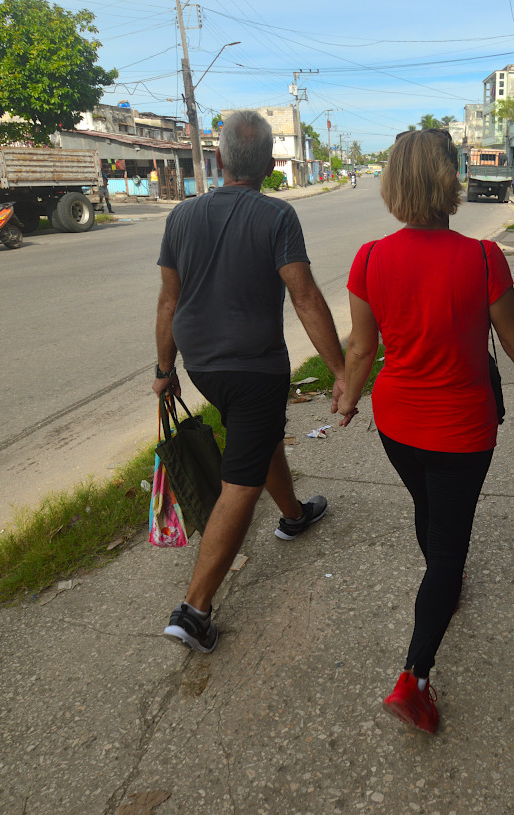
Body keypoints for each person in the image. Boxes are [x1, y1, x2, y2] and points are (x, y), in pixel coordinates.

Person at [333, 128, 514, 734]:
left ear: (392, 185)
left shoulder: (370, 258)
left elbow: (361, 350)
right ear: (449, 180)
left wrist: (350, 399)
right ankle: (415, 677)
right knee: (449, 543)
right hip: (462, 427)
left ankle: (442, 584)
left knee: (427, 508)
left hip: (398, 421)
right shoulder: (480, 258)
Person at [153, 109, 347, 654]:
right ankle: (194, 611)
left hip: (202, 366)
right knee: (240, 479)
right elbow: (304, 295)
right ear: (268, 165)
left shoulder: (180, 217)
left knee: (254, 436)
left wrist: (165, 372)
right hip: (254, 367)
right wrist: (340, 370)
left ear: (218, 161)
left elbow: (169, 300)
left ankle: (292, 515)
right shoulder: (277, 216)